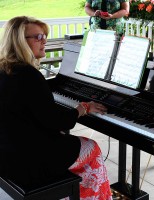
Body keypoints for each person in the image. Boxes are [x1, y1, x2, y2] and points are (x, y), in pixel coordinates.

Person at [0, 16, 112, 200]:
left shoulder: (5, 69)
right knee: (92, 147)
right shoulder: (29, 75)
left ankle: (76, 192)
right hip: (26, 160)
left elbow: (33, 112)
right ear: (20, 41)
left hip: (7, 152)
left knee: (65, 142)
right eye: (38, 37)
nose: (44, 40)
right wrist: (82, 108)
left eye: (44, 35)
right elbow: (56, 122)